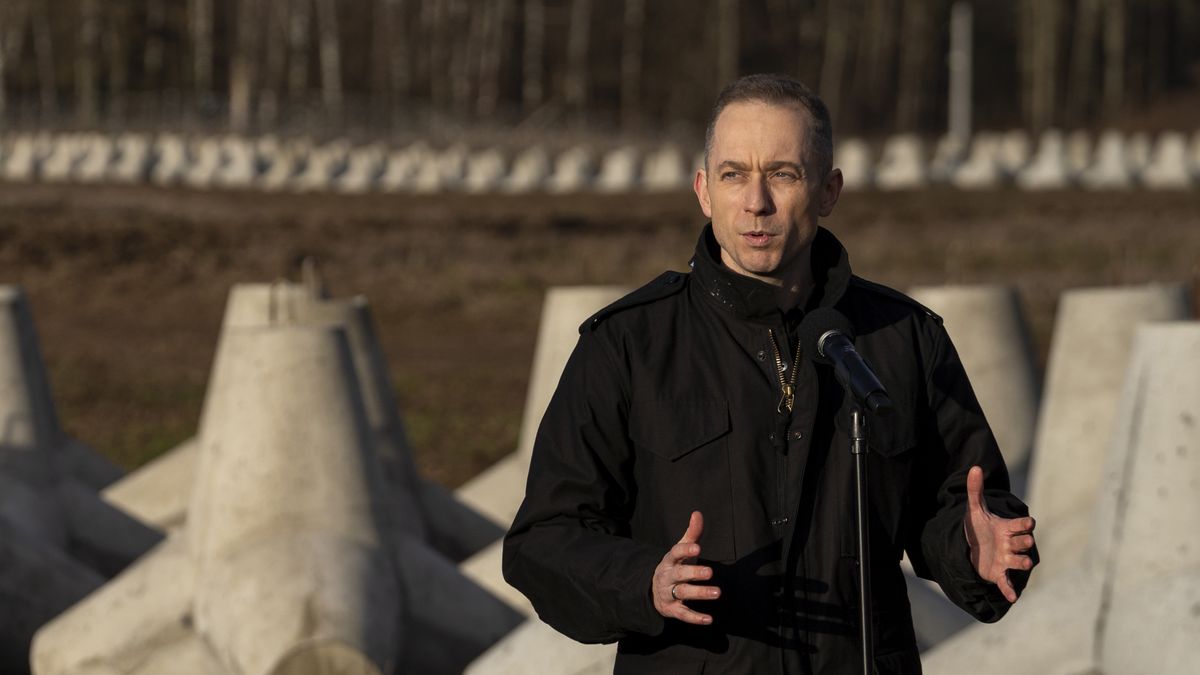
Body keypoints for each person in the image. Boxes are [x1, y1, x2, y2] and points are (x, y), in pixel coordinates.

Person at [502, 74, 1037, 674]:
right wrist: (644, 582)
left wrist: (974, 546)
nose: (756, 202)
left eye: (783, 174)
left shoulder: (903, 339)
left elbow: (961, 506)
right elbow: (544, 541)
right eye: (734, 174)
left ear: (829, 189)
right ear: (703, 190)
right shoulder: (628, 345)